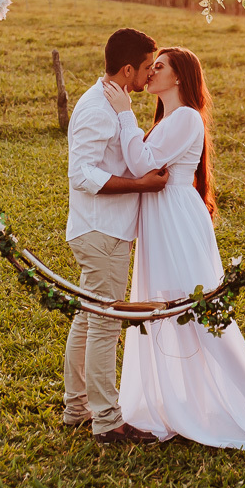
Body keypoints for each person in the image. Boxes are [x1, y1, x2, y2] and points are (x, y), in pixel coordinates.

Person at [102, 47, 245, 449]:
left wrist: (124, 113)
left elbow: (142, 164)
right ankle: (176, 403)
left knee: (195, 309)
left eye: (160, 67)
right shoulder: (166, 120)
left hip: (175, 219)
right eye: (151, 66)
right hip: (160, 219)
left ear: (179, 78)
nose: (151, 72)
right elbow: (141, 162)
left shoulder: (187, 117)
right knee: (163, 310)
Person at [63, 28, 168, 445]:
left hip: (102, 230)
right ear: (128, 69)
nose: (149, 75)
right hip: (100, 231)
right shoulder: (97, 109)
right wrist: (141, 185)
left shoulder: (115, 102)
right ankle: (107, 420)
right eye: (146, 68)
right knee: (106, 323)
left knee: (90, 318)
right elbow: (82, 174)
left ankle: (76, 407)